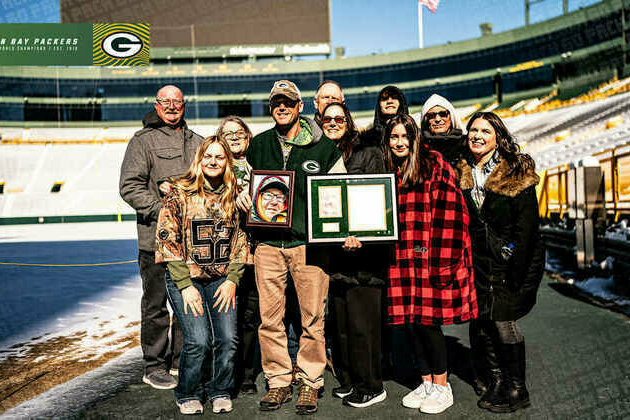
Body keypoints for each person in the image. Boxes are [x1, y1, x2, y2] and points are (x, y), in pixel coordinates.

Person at [238, 79, 346, 415]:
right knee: (270, 319)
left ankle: (310, 382)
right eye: (276, 103)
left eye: (288, 102)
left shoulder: (323, 145)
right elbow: (244, 180)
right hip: (268, 245)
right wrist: (244, 194)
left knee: (312, 319)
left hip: (308, 245)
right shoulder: (258, 145)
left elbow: (339, 190)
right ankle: (279, 381)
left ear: (300, 106)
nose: (282, 107)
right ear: (270, 108)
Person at [384, 114, 477, 414]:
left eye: (404, 137)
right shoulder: (391, 172)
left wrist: (443, 261)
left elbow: (452, 213)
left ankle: (442, 385)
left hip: (429, 259)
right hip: (401, 261)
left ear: (414, 138)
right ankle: (425, 381)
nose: (399, 143)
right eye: (393, 137)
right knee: (412, 324)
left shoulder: (434, 165)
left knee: (428, 324)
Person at [456, 112, 544, 413]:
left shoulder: (515, 170)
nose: (477, 135)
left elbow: (528, 227)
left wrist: (513, 264)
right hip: (478, 262)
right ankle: (496, 381)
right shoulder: (462, 171)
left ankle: (518, 388)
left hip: (511, 260)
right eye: (473, 130)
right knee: (483, 322)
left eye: (485, 130)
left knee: (503, 322)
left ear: (498, 138)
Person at [155, 135, 248, 415]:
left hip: (221, 276)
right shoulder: (180, 193)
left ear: (227, 162)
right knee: (197, 340)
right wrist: (185, 286)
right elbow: (166, 240)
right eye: (208, 156)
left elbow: (241, 240)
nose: (214, 162)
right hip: (187, 278)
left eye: (220, 157)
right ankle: (188, 390)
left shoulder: (234, 195)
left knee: (228, 338)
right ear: (200, 159)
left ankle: (219, 388)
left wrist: (233, 279)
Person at [120, 85, 203, 390]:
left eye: (177, 102)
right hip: (154, 240)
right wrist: (163, 211)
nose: (171, 106)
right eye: (165, 102)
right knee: (155, 305)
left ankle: (184, 360)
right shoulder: (143, 141)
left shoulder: (198, 142)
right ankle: (154, 365)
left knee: (188, 302)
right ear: (156, 106)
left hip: (191, 243)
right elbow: (129, 187)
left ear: (185, 105)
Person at [319, 102, 388, 408]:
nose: (333, 123)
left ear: (348, 121)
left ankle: (372, 385)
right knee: (343, 326)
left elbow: (377, 199)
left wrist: (364, 237)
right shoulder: (318, 155)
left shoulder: (368, 153)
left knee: (364, 327)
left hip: (365, 256)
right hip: (335, 256)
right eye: (327, 119)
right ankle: (350, 380)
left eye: (338, 118)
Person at [216, 116, 260, 395]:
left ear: (247, 136)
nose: (233, 136)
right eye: (227, 132)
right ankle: (222, 371)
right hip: (223, 252)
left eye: (239, 132)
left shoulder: (259, 161)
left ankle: (246, 372)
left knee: (250, 314)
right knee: (224, 313)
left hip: (255, 251)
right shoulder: (213, 163)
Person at [420, 94, 467, 167]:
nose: (437, 119)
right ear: (426, 120)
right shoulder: (419, 148)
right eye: (432, 116)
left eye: (443, 114)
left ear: (451, 117)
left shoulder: (466, 145)